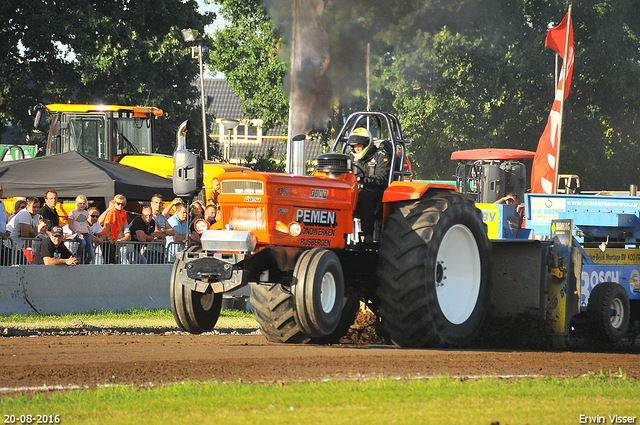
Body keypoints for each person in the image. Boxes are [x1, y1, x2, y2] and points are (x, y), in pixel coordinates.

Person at [348, 127, 392, 241]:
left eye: (359, 145)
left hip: (377, 190)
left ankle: (367, 235)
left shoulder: (382, 156)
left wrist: (362, 179)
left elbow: (382, 180)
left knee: (364, 196)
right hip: (355, 189)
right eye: (354, 146)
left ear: (366, 144)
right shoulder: (351, 158)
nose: (356, 148)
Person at [8, 197, 41, 263]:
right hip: (9, 246)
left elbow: (35, 234)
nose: (36, 209)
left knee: (24, 267)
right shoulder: (24, 214)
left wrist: (30, 230)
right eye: (34, 207)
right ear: (27, 206)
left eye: (38, 207)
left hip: (18, 247)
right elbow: (25, 234)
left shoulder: (37, 216)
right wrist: (31, 231)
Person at [68, 195, 94, 264]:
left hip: (86, 233)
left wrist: (90, 234)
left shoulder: (86, 213)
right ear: (76, 203)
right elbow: (70, 225)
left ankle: (84, 264)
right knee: (83, 242)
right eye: (80, 203)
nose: (82, 205)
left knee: (92, 254)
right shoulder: (72, 212)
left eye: (84, 203)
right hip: (77, 233)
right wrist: (77, 232)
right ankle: (78, 256)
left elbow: (86, 224)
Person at [149, 194, 174, 263]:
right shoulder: (150, 216)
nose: (158, 205)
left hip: (161, 250)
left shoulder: (163, 217)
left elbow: (172, 232)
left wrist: (163, 230)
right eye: (156, 203)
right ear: (151, 204)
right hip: (151, 250)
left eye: (160, 203)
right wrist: (165, 233)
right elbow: (157, 232)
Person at [104, 194, 128, 263]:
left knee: (113, 259)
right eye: (118, 203)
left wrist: (115, 239)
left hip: (114, 238)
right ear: (114, 203)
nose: (120, 205)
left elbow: (121, 225)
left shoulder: (123, 212)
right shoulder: (112, 211)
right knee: (108, 259)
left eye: (122, 204)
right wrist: (109, 238)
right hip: (108, 238)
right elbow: (107, 224)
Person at [0, 183, 9, 265]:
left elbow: (4, 221)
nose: (0, 192)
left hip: (1, 241)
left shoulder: (2, 204)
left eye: (1, 190)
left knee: (6, 264)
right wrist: (1, 234)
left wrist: (6, 231)